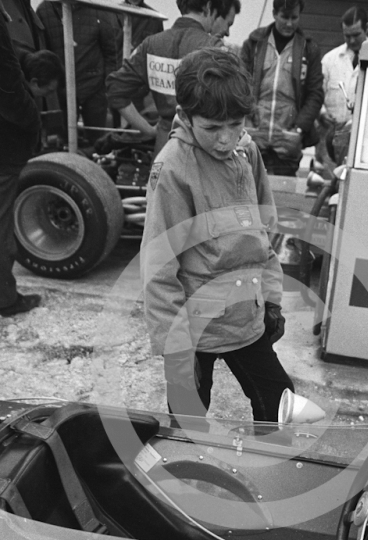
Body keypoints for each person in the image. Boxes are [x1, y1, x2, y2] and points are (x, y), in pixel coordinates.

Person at [140, 47, 294, 422]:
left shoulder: (247, 151)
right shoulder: (173, 169)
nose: (226, 139)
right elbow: (159, 268)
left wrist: (271, 299)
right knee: (187, 420)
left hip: (247, 317)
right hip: (195, 328)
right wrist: (176, 350)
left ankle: (274, 472)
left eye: (236, 124)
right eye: (211, 128)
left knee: (280, 402)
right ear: (185, 116)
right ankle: (184, 475)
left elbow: (264, 233)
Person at [106, 0, 230, 155]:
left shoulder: (151, 44)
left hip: (164, 147)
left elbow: (116, 89)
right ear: (208, 7)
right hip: (201, 150)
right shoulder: (215, 49)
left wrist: (149, 130)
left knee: (160, 180)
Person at [0, 24, 62, 316]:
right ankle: (5, 300)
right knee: (2, 230)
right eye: (44, 92)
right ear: (34, 80)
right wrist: (34, 122)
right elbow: (12, 97)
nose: (44, 96)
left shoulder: (19, 52)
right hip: (5, 158)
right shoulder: (14, 74)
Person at [240, 0, 323, 177]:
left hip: (287, 142)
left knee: (282, 199)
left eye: (294, 17)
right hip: (254, 138)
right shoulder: (254, 44)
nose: (289, 23)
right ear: (274, 13)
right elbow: (239, 83)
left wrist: (299, 129)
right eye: (285, 17)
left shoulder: (309, 49)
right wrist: (250, 114)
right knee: (248, 196)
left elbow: (316, 94)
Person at [36, 0, 118, 143]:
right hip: (61, 88)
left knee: (98, 140)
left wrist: (106, 84)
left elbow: (111, 53)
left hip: (94, 88)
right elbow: (42, 52)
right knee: (65, 140)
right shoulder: (45, 10)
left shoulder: (99, 10)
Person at [320, 6, 368, 165]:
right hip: (330, 133)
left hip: (362, 139)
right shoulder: (330, 60)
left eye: (356, 35)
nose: (352, 40)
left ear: (367, 28)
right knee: (327, 180)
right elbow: (316, 93)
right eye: (347, 36)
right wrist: (321, 112)